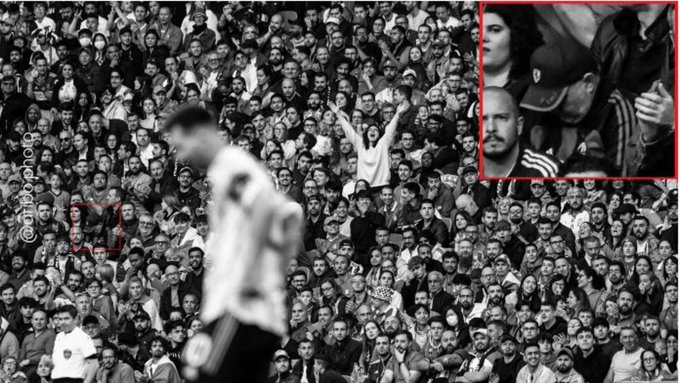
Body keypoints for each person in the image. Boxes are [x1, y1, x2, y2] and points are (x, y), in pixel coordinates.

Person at [166, 105, 303, 383]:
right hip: (251, 313)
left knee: (196, 374)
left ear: (202, 134)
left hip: (239, 310)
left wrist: (252, 279)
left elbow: (280, 212)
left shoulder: (231, 166)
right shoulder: (226, 170)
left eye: (182, 146)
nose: (181, 156)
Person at [482, 87, 562, 177]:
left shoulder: (548, 172)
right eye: (482, 119)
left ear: (519, 125)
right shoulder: (466, 166)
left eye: (501, 118)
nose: (491, 128)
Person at [50, 305, 98, 383]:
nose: (63, 322)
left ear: (75, 319)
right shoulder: (59, 336)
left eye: (66, 318)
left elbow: (94, 364)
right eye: (60, 319)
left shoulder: (82, 337)